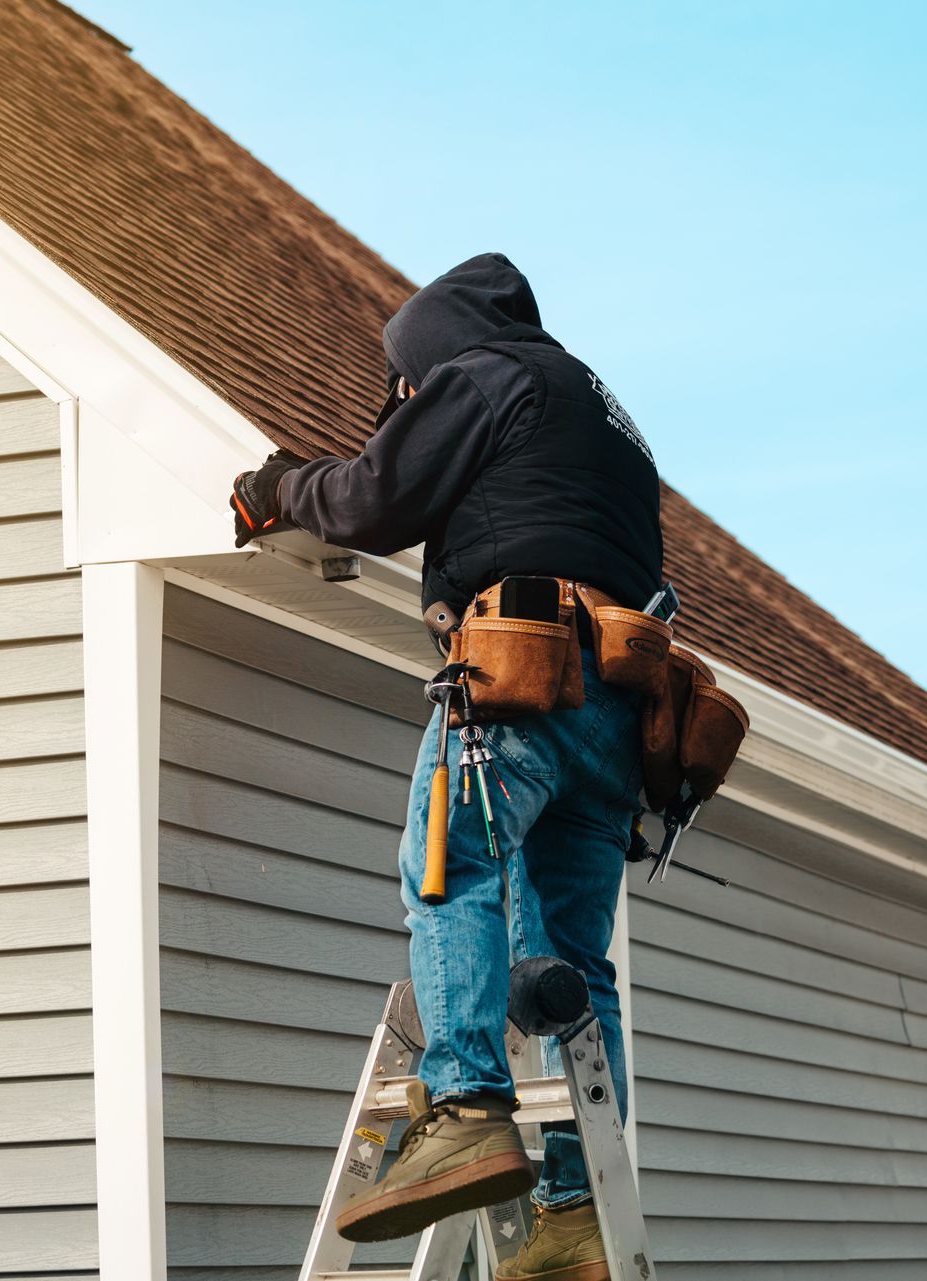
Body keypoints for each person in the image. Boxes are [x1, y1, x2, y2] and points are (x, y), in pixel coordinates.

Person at [229, 253, 662, 1281]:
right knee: (571, 963)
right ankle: (577, 1212)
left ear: (431, 353)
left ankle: (467, 1106)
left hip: (522, 669)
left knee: (451, 866)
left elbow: (377, 496)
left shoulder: (483, 372)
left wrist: (279, 486)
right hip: (617, 713)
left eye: (406, 386)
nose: (410, 402)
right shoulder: (602, 419)